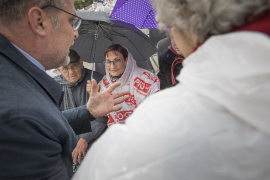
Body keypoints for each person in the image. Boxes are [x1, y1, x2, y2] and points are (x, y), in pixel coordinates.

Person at [73, 0, 270, 180]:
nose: (112, 65)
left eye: (170, 27)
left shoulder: (150, 114)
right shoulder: (103, 85)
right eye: (108, 62)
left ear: (184, 20)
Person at [0, 1, 129, 180]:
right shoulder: (18, 116)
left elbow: (46, 122)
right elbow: (34, 122)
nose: (75, 33)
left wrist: (88, 112)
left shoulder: (15, 76)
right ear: (39, 22)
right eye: (71, 21)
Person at [54, 49, 105, 170]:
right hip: (67, 138)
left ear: (81, 63)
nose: (71, 72)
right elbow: (55, 118)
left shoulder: (96, 80)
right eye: (65, 68)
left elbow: (102, 117)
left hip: (94, 137)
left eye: (74, 66)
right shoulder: (54, 86)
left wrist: (84, 139)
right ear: (58, 70)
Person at [88, 44, 160, 127]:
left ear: (126, 60)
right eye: (108, 61)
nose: (112, 66)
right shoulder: (103, 83)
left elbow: (153, 113)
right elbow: (104, 115)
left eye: (117, 60)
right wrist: (94, 96)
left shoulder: (145, 80)